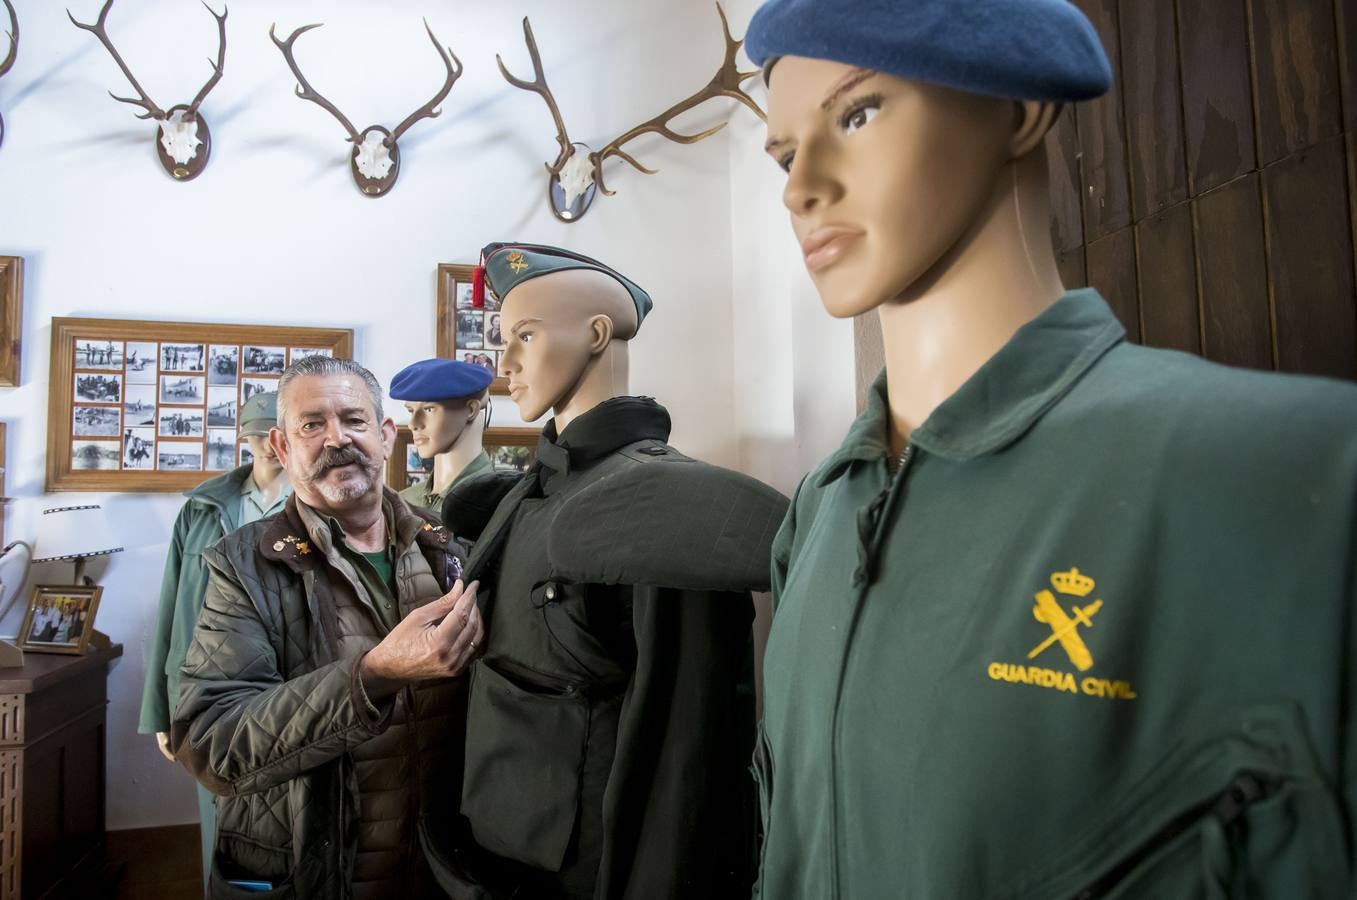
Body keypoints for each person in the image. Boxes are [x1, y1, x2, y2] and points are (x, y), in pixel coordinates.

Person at [743, 1, 1357, 896]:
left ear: (1019, 108)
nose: (802, 187)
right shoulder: (819, 514)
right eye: (786, 153)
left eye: (858, 112)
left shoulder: (1298, 477)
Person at [428, 243, 788, 899]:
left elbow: (688, 756)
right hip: (489, 858)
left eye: (525, 336)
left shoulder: (661, 505)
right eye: (504, 341)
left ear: (597, 334)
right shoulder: (522, 495)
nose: (504, 363)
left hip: (586, 875)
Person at [171, 356, 484, 899]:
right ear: (283, 447)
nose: (336, 438)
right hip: (319, 872)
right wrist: (372, 675)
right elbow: (210, 742)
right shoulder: (245, 566)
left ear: (386, 436)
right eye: (312, 425)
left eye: (354, 420)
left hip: (443, 871)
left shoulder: (447, 546)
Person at [138, 391, 293, 887]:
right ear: (243, 439)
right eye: (257, 435)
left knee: (289, 817)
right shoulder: (202, 510)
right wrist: (160, 708)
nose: (269, 446)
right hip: (207, 683)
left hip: (289, 678)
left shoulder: (319, 501)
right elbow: (172, 609)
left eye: (278, 434)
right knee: (217, 807)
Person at [390, 358, 495, 512]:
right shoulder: (404, 503)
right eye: (411, 411)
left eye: (429, 409)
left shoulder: (502, 503)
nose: (413, 424)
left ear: (471, 410)